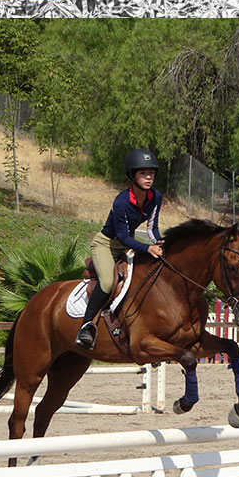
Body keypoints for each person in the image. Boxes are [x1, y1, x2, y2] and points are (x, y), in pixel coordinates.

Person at [75, 148, 164, 348]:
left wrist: (158, 242)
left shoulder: (156, 197)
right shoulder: (122, 201)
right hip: (106, 243)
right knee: (107, 282)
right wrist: (148, 249)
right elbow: (123, 237)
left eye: (151, 173)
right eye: (143, 173)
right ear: (133, 176)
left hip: (128, 243)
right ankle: (86, 326)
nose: (148, 177)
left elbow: (152, 228)